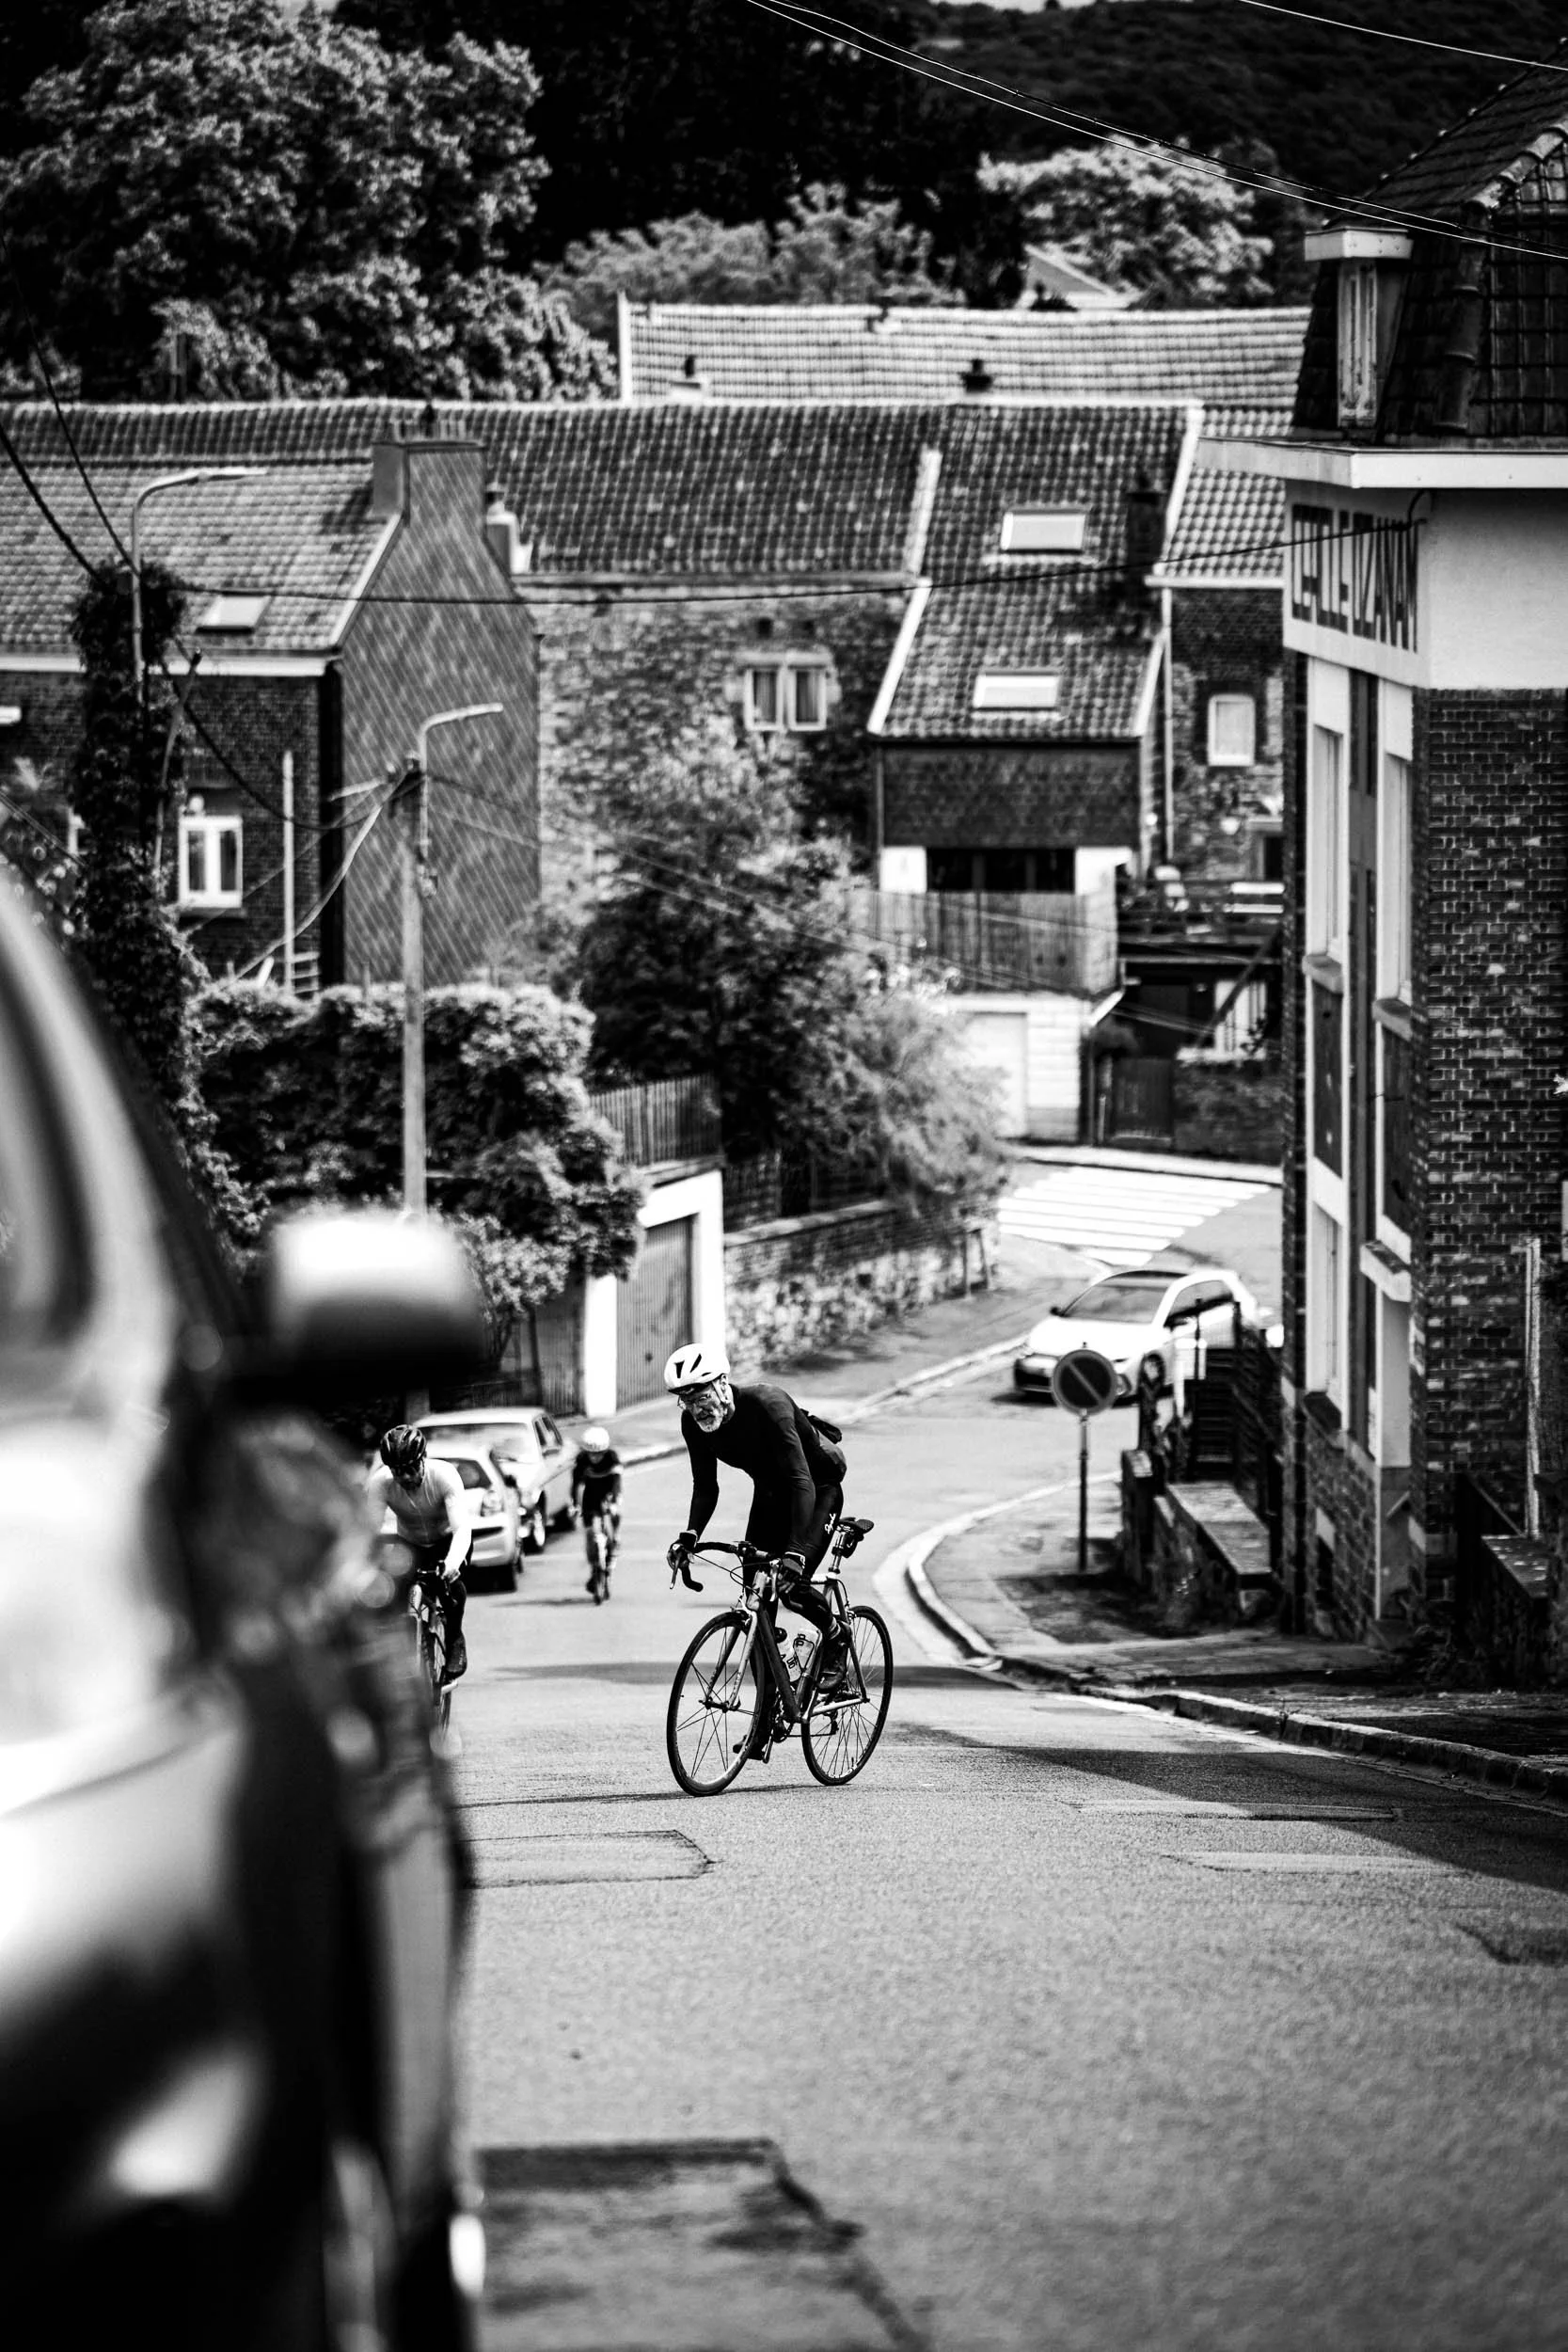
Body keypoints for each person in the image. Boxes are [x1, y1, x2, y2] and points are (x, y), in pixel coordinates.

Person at [662, 1341, 849, 1696]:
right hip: (769, 1496)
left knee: (791, 1586)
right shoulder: (694, 1424)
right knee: (755, 1606)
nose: (696, 1409)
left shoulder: (769, 1404)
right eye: (685, 1400)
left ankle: (836, 1636)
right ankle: (766, 1721)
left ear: (721, 1383)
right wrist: (689, 1535)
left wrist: (794, 1553)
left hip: (817, 1489)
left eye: (701, 1397)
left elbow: (800, 1479)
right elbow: (705, 1487)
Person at [365, 1423, 470, 1682]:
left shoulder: (444, 1475)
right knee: (390, 1593)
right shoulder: (380, 1483)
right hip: (410, 1543)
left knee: (451, 1588)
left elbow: (461, 1528)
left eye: (412, 1468)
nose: (407, 1477)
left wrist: (451, 1563)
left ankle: (455, 1637)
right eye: (398, 1472)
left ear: (423, 1459)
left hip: (447, 1541)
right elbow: (366, 1530)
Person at [573, 1423, 623, 1601]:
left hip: (607, 1492)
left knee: (615, 1515)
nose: (595, 1458)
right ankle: (594, 1565)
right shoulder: (581, 1460)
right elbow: (577, 1484)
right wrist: (575, 1505)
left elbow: (616, 1481)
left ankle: (614, 1540)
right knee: (590, 1534)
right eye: (591, 1454)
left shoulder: (612, 1458)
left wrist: (616, 1500)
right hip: (590, 1497)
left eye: (599, 1453)